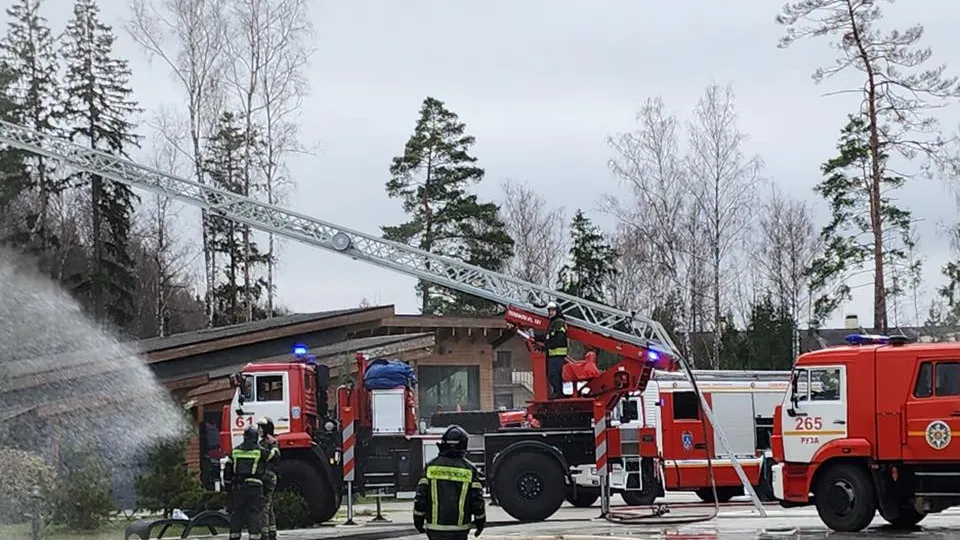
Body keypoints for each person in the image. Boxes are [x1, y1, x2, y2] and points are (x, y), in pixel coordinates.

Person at [413, 425, 485, 540]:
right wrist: (480, 522)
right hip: (460, 530)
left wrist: (418, 521)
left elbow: (421, 497)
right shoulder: (469, 469)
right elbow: (477, 500)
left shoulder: (431, 467)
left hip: (435, 530)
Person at [224, 426, 270, 540]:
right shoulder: (260, 451)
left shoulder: (235, 451)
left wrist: (228, 488)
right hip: (255, 487)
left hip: (239, 487)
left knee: (237, 513)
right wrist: (273, 445)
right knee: (254, 513)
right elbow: (275, 456)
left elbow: (227, 472)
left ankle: (234, 536)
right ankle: (254, 537)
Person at [534, 301, 568, 399]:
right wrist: (537, 338)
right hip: (553, 354)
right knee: (553, 375)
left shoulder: (559, 322)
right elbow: (548, 337)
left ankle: (558, 393)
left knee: (553, 375)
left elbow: (559, 338)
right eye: (549, 311)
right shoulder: (553, 322)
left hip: (557, 354)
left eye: (553, 310)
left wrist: (546, 346)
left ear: (557, 311)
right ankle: (557, 392)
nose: (550, 313)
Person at [257, 417, 281, 540]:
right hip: (266, 476)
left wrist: (260, 452)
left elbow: (273, 456)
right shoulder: (262, 442)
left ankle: (264, 534)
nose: (259, 430)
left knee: (264, 506)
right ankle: (272, 532)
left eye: (261, 427)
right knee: (269, 505)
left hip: (268, 476)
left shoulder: (271, 442)